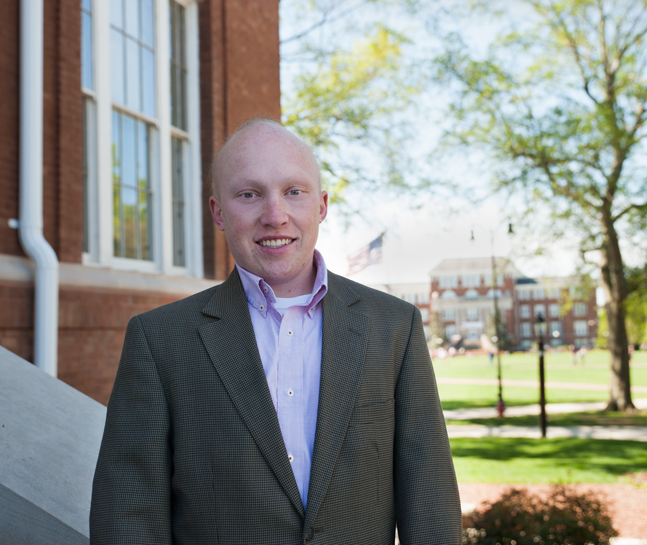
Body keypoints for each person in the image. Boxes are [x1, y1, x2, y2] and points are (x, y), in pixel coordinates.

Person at [90, 119, 461, 544]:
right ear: (218, 212)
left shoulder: (394, 326)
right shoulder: (159, 340)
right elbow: (128, 511)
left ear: (321, 205)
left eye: (294, 192)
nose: (275, 216)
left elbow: (429, 494)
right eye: (249, 194)